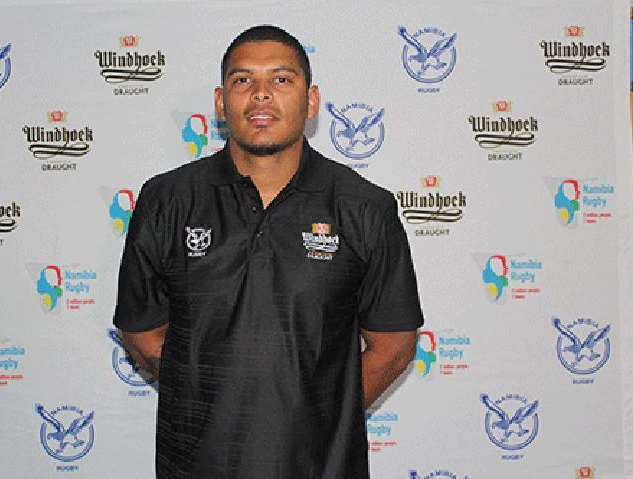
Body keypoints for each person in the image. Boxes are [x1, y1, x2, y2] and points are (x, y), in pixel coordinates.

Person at [113, 24, 424, 479]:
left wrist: (319, 415)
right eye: (243, 80)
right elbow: (142, 331)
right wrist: (198, 389)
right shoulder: (166, 201)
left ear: (311, 101)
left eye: (281, 79)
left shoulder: (364, 207)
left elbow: (394, 344)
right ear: (221, 103)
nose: (261, 94)